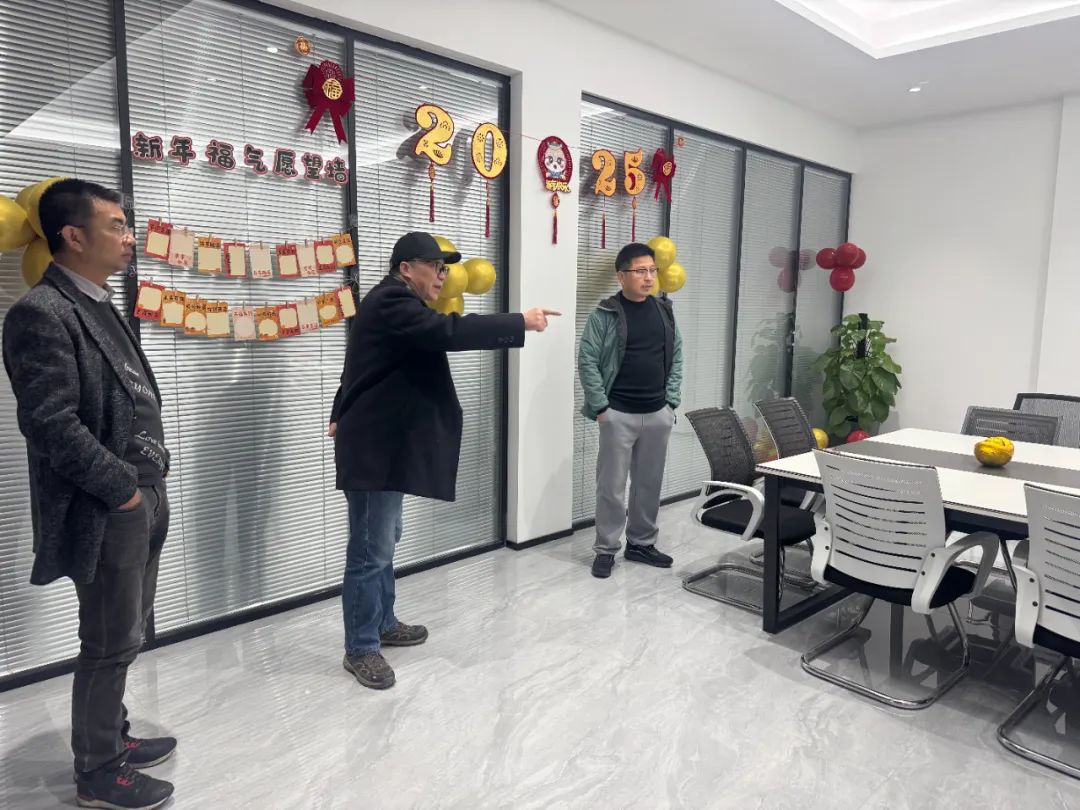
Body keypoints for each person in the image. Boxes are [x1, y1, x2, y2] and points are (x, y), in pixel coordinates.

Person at [2, 180, 175, 809]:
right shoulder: (41, 313)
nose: (130, 238)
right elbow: (50, 423)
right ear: (73, 236)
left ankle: (112, 735)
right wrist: (122, 490)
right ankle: (98, 772)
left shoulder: (101, 302)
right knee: (107, 640)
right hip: (109, 505)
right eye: (116, 226)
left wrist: (147, 487)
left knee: (127, 631)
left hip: (145, 494)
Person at [328, 231, 559, 690]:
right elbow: (447, 332)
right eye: (435, 266)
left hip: (383, 445)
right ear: (406, 268)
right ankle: (360, 647)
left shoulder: (391, 304)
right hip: (374, 449)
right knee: (370, 551)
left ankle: (383, 623)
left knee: (384, 541)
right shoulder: (392, 302)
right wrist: (519, 321)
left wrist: (339, 411)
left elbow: (358, 365)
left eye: (445, 268)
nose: (443, 276)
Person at [578, 242, 683, 579]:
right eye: (640, 271)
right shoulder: (604, 314)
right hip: (618, 413)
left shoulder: (664, 311)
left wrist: (671, 402)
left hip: (657, 413)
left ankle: (641, 543)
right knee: (611, 487)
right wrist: (602, 407)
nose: (648, 277)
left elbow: (677, 356)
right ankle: (606, 548)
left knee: (648, 483)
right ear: (621, 276)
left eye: (652, 270)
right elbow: (587, 361)